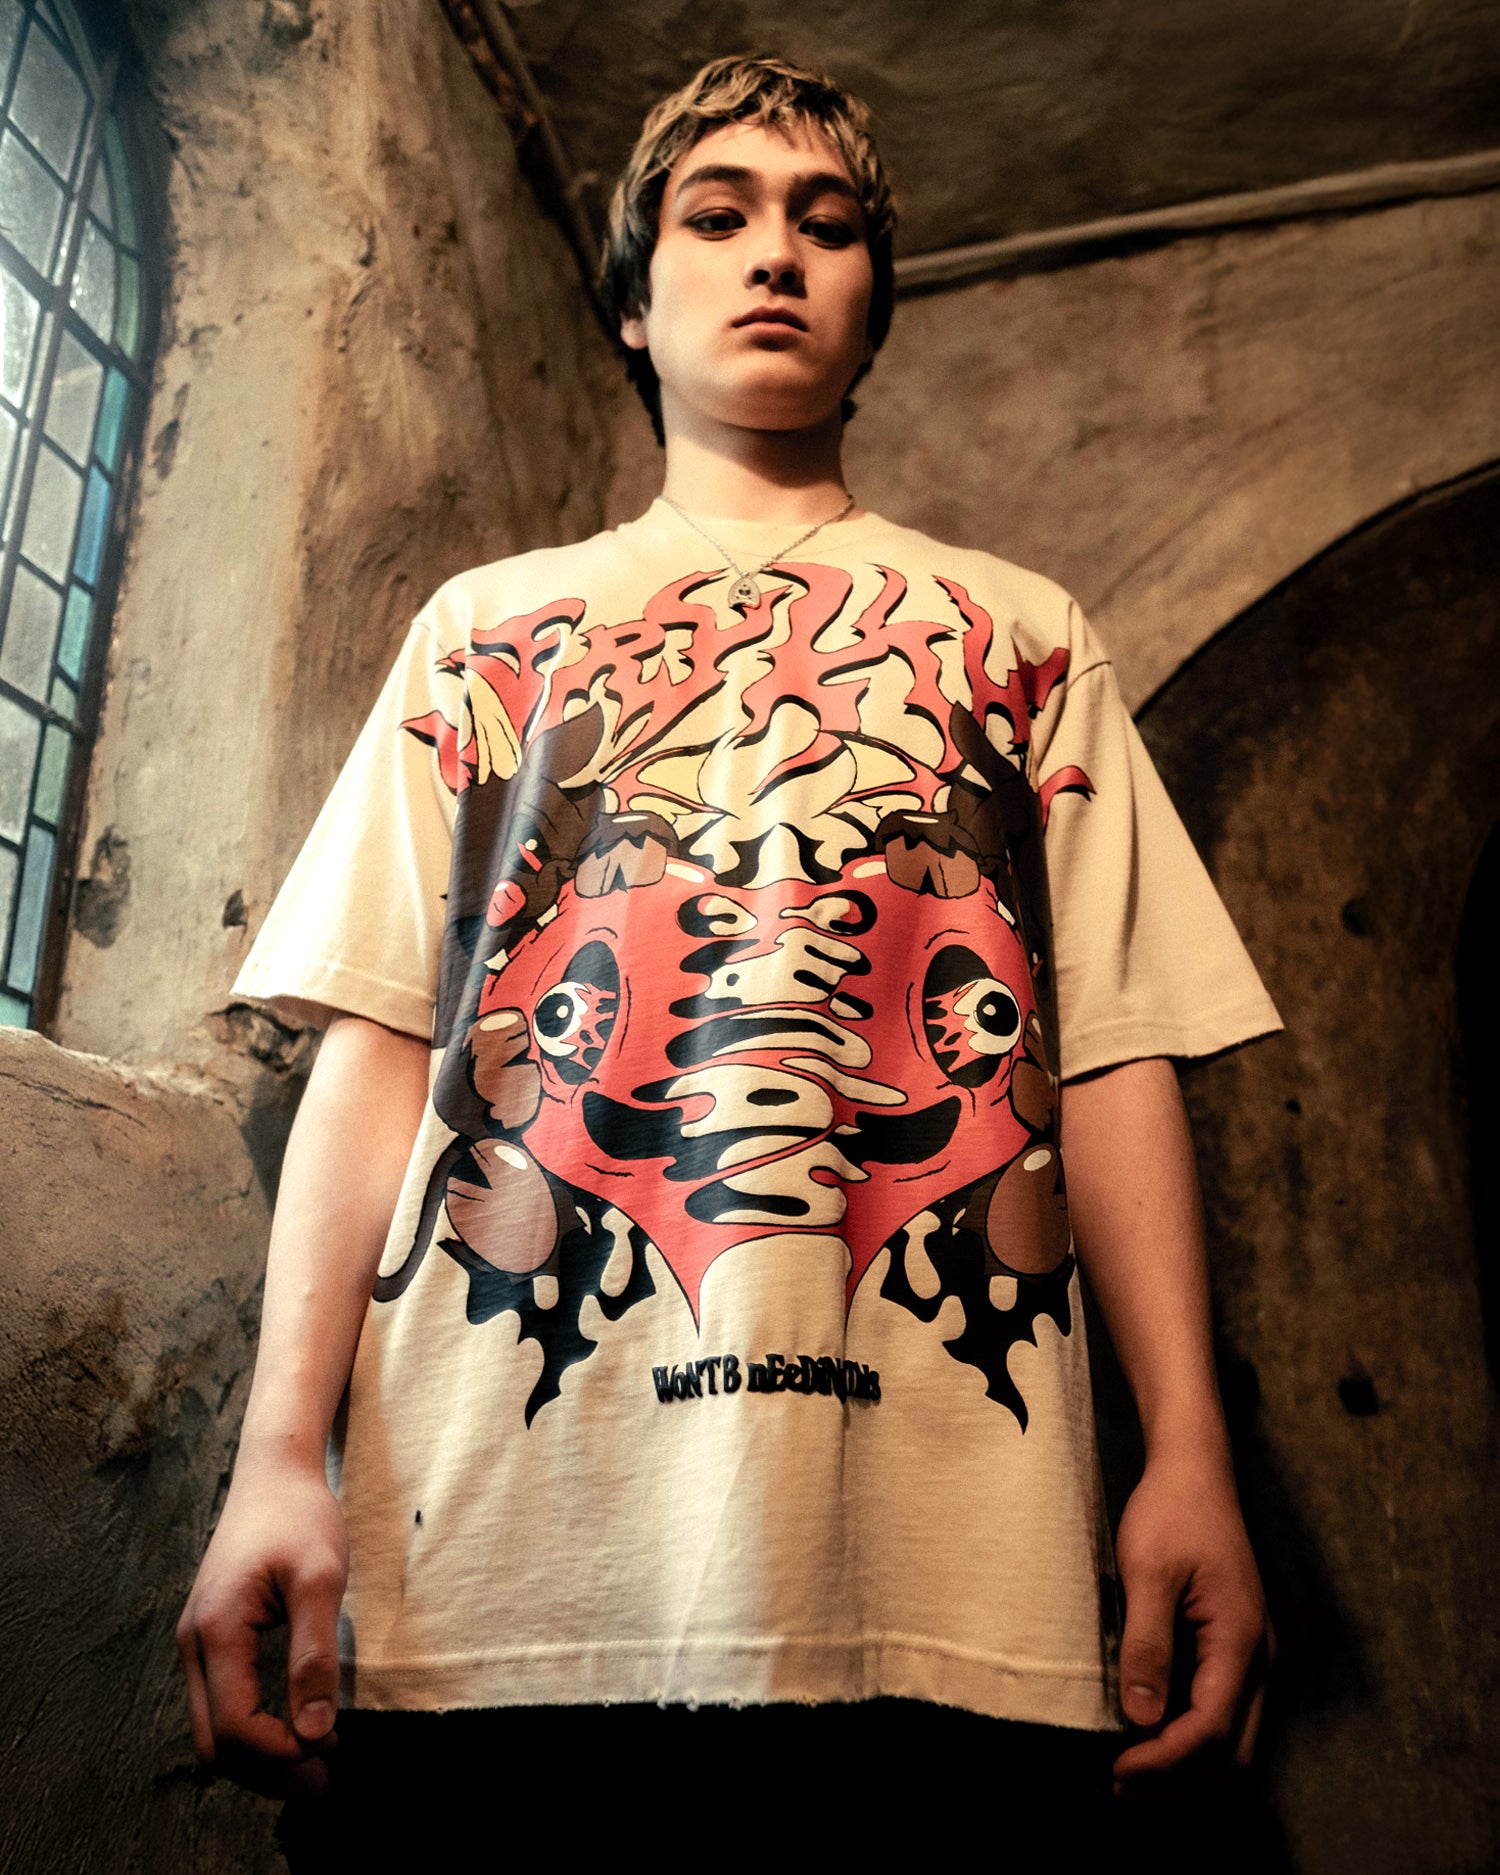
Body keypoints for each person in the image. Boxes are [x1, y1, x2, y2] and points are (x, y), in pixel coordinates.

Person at [178, 54, 1281, 1858]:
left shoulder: (1024, 637)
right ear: (633, 301)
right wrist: (276, 1461)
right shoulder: (487, 632)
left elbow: (1111, 1056)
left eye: (825, 224)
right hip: (499, 1561)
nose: (775, 252)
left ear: (874, 309)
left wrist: (1191, 1463)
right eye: (718, 214)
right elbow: (377, 1047)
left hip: (951, 1577)